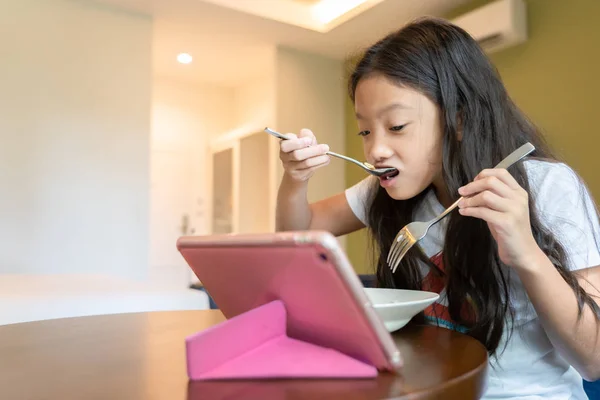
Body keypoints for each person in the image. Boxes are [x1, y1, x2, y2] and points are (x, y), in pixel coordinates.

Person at [275, 17, 600, 399]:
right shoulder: (388, 187)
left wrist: (525, 251)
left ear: (458, 120)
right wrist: (295, 180)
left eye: (396, 126)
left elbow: (593, 359)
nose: (376, 149)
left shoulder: (547, 187)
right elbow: (299, 232)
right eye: (366, 131)